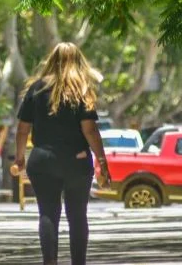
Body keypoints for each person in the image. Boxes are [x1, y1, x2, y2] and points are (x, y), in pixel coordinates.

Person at [14, 42, 110, 265]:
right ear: (79, 62)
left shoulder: (36, 89)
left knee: (48, 213)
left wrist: (19, 158)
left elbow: (22, 129)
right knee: (77, 215)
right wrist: (102, 161)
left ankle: (50, 262)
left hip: (42, 160)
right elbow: (90, 130)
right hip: (76, 161)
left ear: (51, 61)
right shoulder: (81, 91)